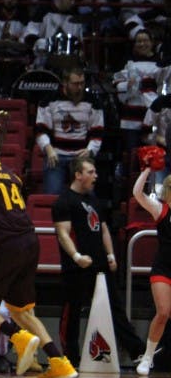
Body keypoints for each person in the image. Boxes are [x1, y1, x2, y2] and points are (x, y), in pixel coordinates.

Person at [0, 126, 79, 378]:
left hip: (6, 243)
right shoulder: (12, 174)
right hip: (30, 240)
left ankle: (18, 337)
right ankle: (60, 363)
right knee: (22, 311)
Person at [52, 157, 146, 366]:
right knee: (71, 312)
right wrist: (76, 256)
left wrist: (110, 255)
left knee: (115, 307)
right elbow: (62, 233)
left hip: (100, 265)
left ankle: (137, 351)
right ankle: (69, 358)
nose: (96, 176)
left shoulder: (94, 200)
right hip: (76, 268)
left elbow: (103, 229)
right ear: (78, 175)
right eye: (91, 172)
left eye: (95, 171)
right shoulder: (64, 201)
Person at [35, 68, 104, 195]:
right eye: (75, 84)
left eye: (82, 83)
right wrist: (48, 148)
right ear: (65, 83)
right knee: (52, 194)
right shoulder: (49, 100)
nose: (80, 87)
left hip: (81, 156)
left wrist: (90, 150)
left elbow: (97, 133)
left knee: (88, 196)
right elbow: (40, 130)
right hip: (56, 154)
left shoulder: (93, 102)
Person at [131, 163, 171, 376]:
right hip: (164, 268)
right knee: (163, 312)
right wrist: (146, 168)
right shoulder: (161, 209)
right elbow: (137, 192)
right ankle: (147, 358)